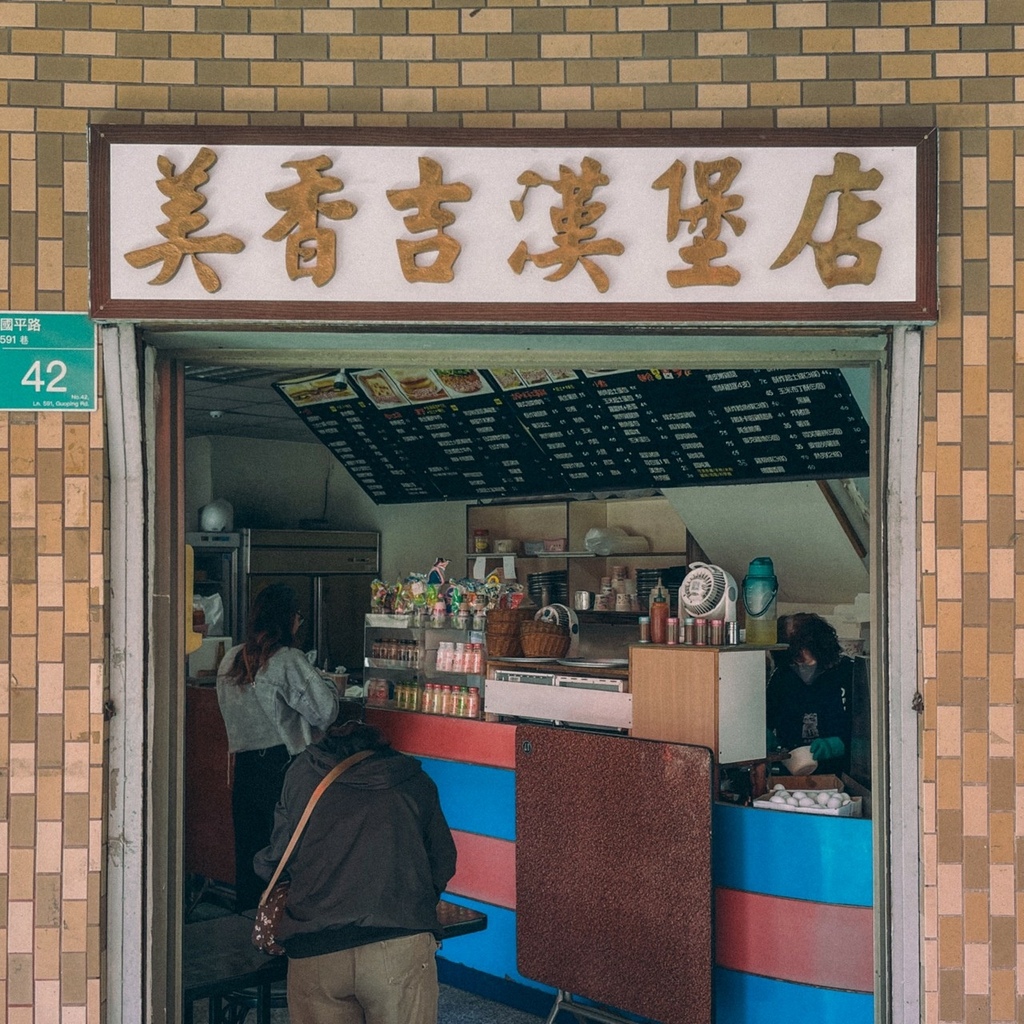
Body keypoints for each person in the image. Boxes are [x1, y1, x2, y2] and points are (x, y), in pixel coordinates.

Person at [254, 707, 457, 1024]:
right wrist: (412, 902)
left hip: (316, 948)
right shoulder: (414, 781)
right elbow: (443, 862)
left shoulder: (302, 774)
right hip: (399, 944)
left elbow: (277, 857)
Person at [216, 583, 340, 911]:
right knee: (286, 856)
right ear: (286, 619)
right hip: (282, 768)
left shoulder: (231, 659)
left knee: (251, 854)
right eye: (297, 615)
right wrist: (328, 683)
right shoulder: (287, 660)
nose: (299, 621)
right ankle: (283, 929)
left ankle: (250, 926)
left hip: (244, 769)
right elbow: (325, 712)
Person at [765, 612, 853, 776]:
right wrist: (765, 736)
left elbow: (865, 728)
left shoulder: (846, 672)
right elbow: (768, 717)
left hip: (838, 770)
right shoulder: (782, 676)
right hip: (792, 765)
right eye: (795, 651)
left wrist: (839, 744)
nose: (801, 657)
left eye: (805, 647)